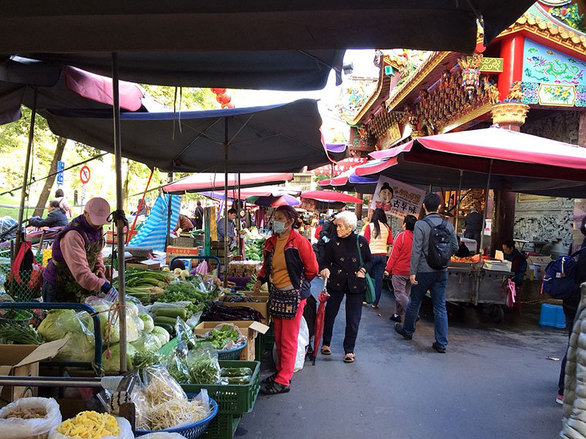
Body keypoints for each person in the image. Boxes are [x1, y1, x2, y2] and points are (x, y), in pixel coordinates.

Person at [254, 205, 318, 394]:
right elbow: (267, 265)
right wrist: (260, 280)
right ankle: (281, 371)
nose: (276, 221)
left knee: (289, 339)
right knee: (279, 336)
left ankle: (283, 380)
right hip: (276, 294)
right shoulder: (271, 242)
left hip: (294, 297)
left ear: (290, 221)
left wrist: (298, 285)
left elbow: (312, 269)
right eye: (275, 217)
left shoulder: (299, 242)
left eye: (280, 218)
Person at [394, 192, 458, 353]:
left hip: (423, 270)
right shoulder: (448, 224)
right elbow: (455, 248)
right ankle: (441, 343)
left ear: (423, 206)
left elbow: (416, 250)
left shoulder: (420, 225)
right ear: (439, 207)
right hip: (441, 271)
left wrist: (412, 272)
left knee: (415, 302)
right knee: (440, 306)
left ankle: (408, 331)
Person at [41, 197, 118, 303]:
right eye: (96, 221)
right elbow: (81, 273)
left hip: (78, 284)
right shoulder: (73, 235)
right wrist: (104, 286)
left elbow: (97, 252)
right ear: (85, 213)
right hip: (59, 286)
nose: (99, 225)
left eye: (101, 222)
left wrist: (99, 267)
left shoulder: (97, 229)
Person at [320, 211, 372, 363]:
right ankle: (326, 343)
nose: (337, 229)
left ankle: (349, 350)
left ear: (350, 228)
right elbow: (324, 261)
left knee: (353, 318)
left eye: (340, 226)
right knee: (330, 314)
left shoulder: (361, 242)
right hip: (336, 282)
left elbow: (369, 261)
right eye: (337, 226)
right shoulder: (332, 243)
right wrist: (324, 268)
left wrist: (364, 270)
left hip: (356, 283)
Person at [557, 216, 586, 404]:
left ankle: (565, 389)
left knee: (574, 345)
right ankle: (565, 390)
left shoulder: (581, 244)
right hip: (578, 303)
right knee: (576, 348)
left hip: (573, 302)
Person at [384, 214, 416, 323]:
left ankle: (412, 313)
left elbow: (394, 254)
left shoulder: (401, 235)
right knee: (404, 294)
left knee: (399, 293)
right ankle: (397, 314)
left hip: (399, 270)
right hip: (411, 271)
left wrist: (388, 268)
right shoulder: (416, 237)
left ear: (405, 224)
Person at [362, 208, 393, 309]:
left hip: (371, 255)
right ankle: (375, 303)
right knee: (379, 280)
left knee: (367, 277)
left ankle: (366, 299)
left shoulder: (369, 226)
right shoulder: (387, 227)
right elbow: (390, 242)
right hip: (382, 255)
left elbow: (366, 241)